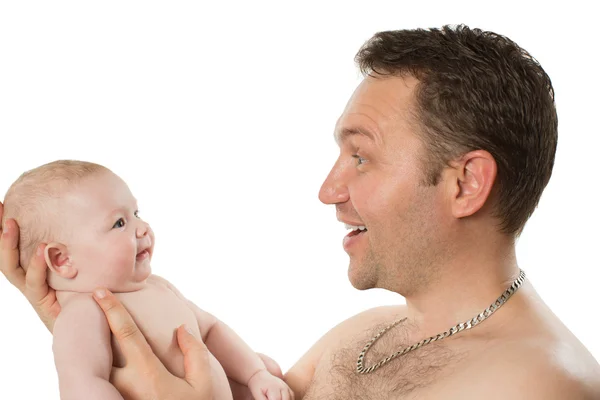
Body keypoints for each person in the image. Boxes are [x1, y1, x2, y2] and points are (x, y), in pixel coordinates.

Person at [2, 24, 600, 399]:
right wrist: (87, 325)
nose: (329, 190)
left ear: (465, 183)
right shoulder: (363, 337)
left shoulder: (542, 385)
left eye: (361, 157)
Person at [0, 160, 293, 400]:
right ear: (62, 260)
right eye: (119, 223)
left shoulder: (158, 286)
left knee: (266, 365)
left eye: (137, 213)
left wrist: (254, 373)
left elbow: (211, 329)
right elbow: (83, 384)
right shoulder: (83, 313)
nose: (143, 228)